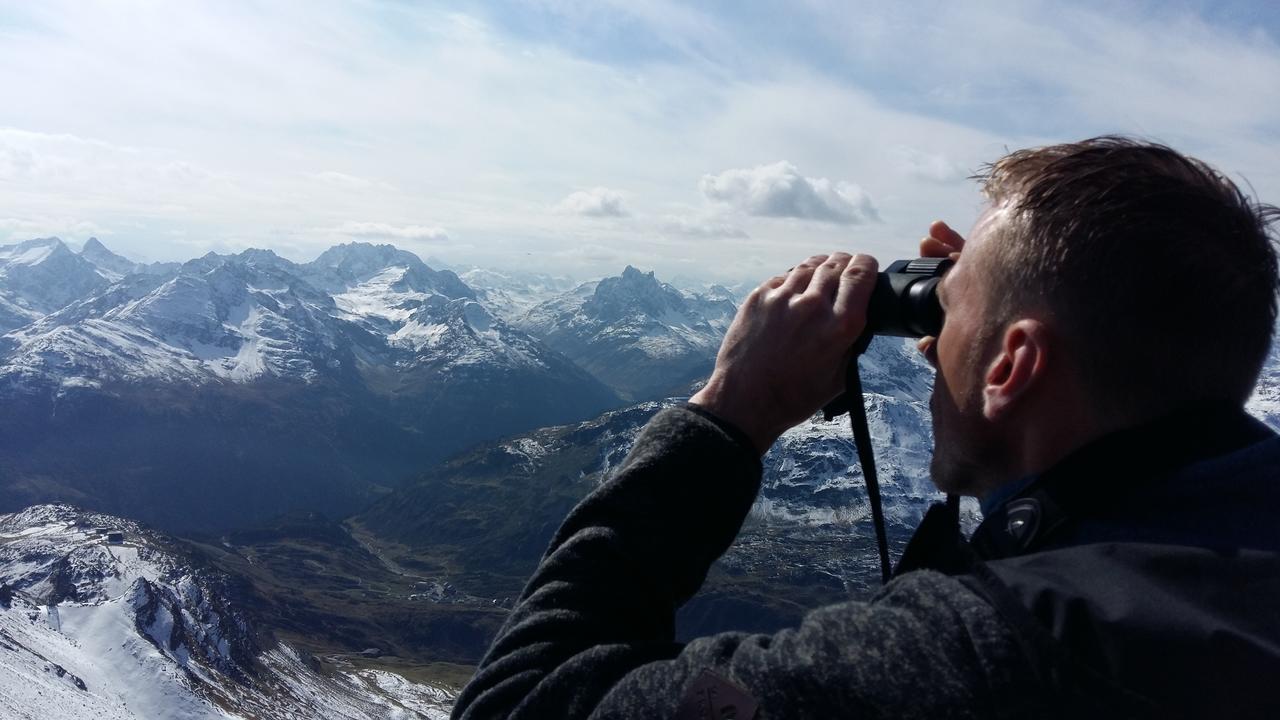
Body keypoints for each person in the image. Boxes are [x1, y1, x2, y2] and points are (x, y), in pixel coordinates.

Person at [451, 137, 1280, 719]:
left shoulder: (976, 663)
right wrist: (982, 356)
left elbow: (520, 703)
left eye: (945, 310)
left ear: (1015, 367)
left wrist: (730, 408)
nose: (927, 337)